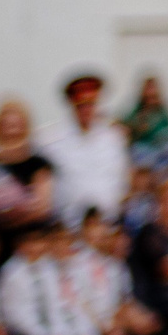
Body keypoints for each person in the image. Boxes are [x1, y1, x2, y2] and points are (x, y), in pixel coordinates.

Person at [41, 72, 133, 227]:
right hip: (68, 225)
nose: (86, 110)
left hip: (107, 225)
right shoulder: (52, 141)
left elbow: (122, 179)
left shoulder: (114, 138)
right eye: (81, 105)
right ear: (72, 105)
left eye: (91, 104)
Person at [0, 100, 58, 249]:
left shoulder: (38, 163)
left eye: (17, 126)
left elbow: (43, 208)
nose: (12, 131)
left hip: (30, 241)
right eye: (7, 126)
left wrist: (12, 217)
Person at [122, 74, 168, 155]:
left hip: (162, 146)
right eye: (148, 88)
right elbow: (126, 123)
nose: (150, 92)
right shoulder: (137, 110)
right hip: (143, 146)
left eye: (153, 88)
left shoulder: (162, 112)